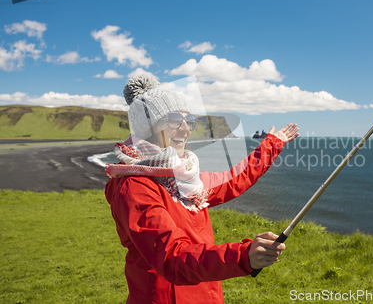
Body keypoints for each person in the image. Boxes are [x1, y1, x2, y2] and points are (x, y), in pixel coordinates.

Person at [104, 75, 299, 304]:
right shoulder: (135, 188)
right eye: (175, 120)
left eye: (189, 120)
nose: (186, 129)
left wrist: (271, 144)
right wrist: (243, 256)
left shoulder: (185, 178)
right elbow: (172, 257)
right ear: (148, 127)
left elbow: (235, 179)